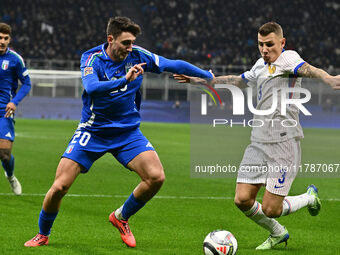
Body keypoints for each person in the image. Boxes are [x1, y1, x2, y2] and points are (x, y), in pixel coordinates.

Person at [24, 16, 213, 248]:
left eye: (132, 42)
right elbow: (92, 88)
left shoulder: (138, 55)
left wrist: (208, 76)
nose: (130, 48)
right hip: (93, 130)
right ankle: (43, 234)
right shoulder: (91, 58)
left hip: (127, 132)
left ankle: (121, 217)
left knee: (156, 177)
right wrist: (124, 79)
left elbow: (173, 64)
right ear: (110, 39)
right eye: (125, 43)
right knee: (60, 186)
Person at [174, 21, 340, 250]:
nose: (264, 49)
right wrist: (201, 81)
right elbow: (237, 81)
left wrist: (328, 78)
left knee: (272, 208)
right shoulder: (260, 65)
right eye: (261, 44)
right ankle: (277, 233)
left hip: (284, 142)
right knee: (242, 200)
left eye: (269, 44)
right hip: (258, 141)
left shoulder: (288, 58)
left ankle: (309, 197)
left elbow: (309, 69)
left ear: (282, 43)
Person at [0, 23, 31, 195]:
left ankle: (10, 176)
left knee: (4, 154)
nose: (2, 41)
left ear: (9, 40)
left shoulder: (14, 59)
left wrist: (15, 102)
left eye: (5, 38)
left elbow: (27, 83)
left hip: (3, 111)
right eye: (0, 37)